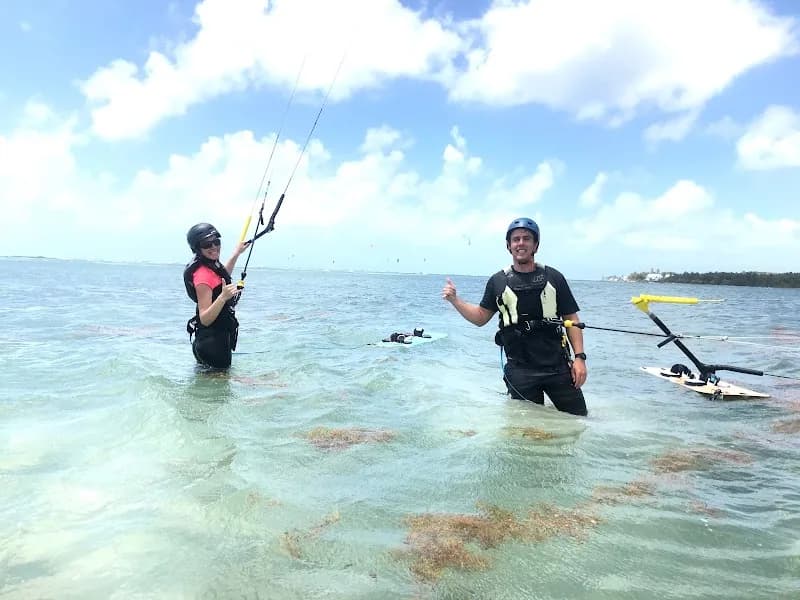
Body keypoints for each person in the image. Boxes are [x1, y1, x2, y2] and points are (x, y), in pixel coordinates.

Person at [442, 217, 588, 416]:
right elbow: (480, 317)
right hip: (520, 371)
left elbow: (573, 320)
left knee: (578, 421)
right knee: (528, 433)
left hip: (558, 367)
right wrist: (455, 300)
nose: (521, 243)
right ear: (508, 246)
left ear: (535, 245)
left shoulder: (554, 278)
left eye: (527, 238)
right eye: (516, 239)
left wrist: (580, 359)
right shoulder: (497, 281)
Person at [183, 223, 250, 369]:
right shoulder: (202, 276)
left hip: (210, 343)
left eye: (216, 242)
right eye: (207, 244)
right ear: (198, 248)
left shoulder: (209, 268)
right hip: (213, 346)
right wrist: (223, 297)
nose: (214, 247)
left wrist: (236, 253)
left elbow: (220, 278)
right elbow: (205, 319)